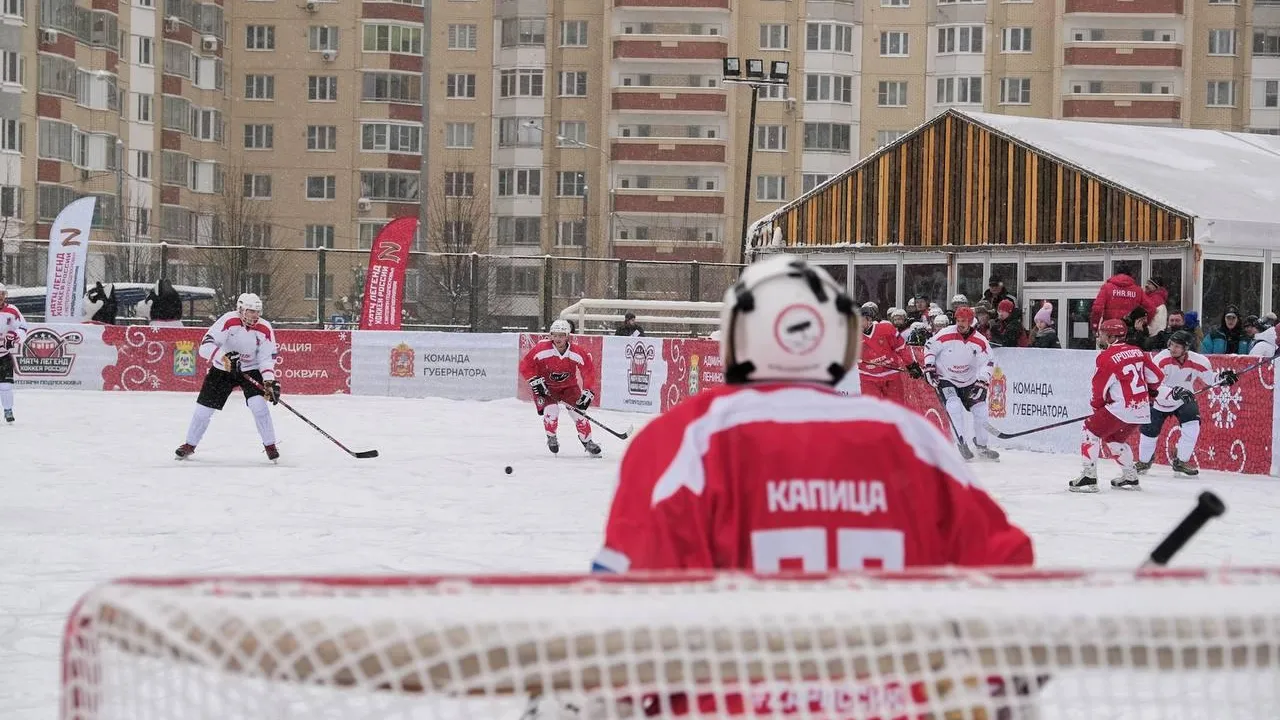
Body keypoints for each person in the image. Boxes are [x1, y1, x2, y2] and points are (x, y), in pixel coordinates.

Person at [592, 254, 1033, 577]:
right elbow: (1006, 564)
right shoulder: (909, 439)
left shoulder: (682, 437)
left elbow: (623, 586)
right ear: (837, 338)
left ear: (734, 337)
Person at [175, 293, 281, 461]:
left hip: (250, 370)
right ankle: (189, 444)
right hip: (222, 369)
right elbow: (205, 346)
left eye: (257, 312)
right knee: (203, 410)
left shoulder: (265, 328)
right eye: (250, 311)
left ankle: (270, 446)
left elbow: (266, 358)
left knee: (258, 406)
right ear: (240, 310)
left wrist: (269, 380)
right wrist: (223, 357)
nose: (254, 315)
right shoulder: (228, 320)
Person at [1070, 319, 1163, 493]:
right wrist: (1151, 392)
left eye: (1103, 333)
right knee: (1114, 439)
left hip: (1121, 408)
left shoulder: (1106, 357)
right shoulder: (1137, 351)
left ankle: (1089, 477)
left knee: (1089, 430)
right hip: (1141, 409)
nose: (1101, 335)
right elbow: (1157, 377)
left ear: (1111, 336)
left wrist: (1098, 406)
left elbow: (1099, 387)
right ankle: (1130, 477)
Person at [1137, 331, 1236, 477]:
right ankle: (1144, 461)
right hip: (1160, 399)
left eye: (1178, 346)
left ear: (1187, 348)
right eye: (1171, 345)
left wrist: (1222, 378)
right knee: (1149, 433)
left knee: (1192, 428)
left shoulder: (1200, 361)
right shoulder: (1161, 359)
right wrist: (1173, 392)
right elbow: (1155, 385)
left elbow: (1210, 379)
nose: (1173, 349)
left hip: (1185, 399)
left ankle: (1181, 461)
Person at [923, 306, 998, 461]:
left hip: (969, 380)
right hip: (946, 378)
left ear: (971, 322)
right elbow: (929, 348)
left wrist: (983, 380)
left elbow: (989, 362)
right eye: (958, 320)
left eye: (963, 321)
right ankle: (961, 442)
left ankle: (981, 446)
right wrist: (929, 366)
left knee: (981, 411)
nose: (960, 323)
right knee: (954, 406)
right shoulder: (945, 334)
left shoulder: (980, 341)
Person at [519, 319, 600, 456]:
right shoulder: (542, 349)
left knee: (578, 413)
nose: (557, 338)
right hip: (546, 387)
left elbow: (588, 371)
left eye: (561, 335)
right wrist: (534, 380)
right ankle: (551, 436)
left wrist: (588, 390)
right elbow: (525, 366)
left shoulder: (577, 352)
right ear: (551, 335)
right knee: (552, 410)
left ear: (567, 336)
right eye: (555, 335)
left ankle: (587, 441)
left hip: (569, 387)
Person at [856, 301, 921, 404]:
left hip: (891, 375)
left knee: (896, 407)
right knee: (872, 408)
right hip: (868, 377)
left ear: (869, 320)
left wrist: (911, 365)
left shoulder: (886, 329)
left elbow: (901, 348)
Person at [0, 283, 29, 423]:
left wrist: (15, 336)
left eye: (2, 294)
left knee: (5, 386)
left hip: (3, 354)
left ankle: (8, 410)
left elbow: (23, 328)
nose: (0, 297)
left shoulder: (12, 311)